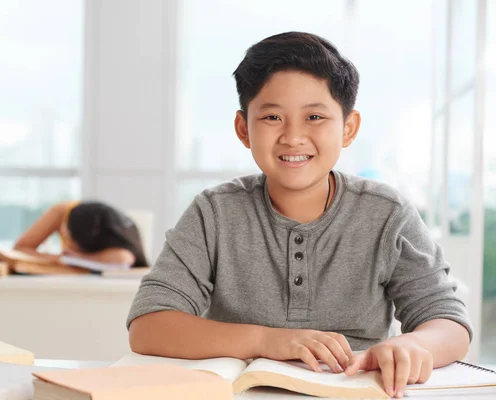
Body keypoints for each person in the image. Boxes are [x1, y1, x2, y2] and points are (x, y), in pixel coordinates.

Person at [126, 32, 472, 398]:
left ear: (349, 128)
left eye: (315, 117)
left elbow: (449, 322)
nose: (293, 137)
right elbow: (148, 327)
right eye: (272, 116)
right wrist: (266, 340)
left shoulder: (388, 213)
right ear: (244, 129)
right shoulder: (213, 213)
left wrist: (415, 345)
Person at [14, 201, 148, 267]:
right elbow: (20, 249)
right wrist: (59, 258)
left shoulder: (113, 232)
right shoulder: (62, 212)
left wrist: (81, 258)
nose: (67, 246)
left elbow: (124, 258)